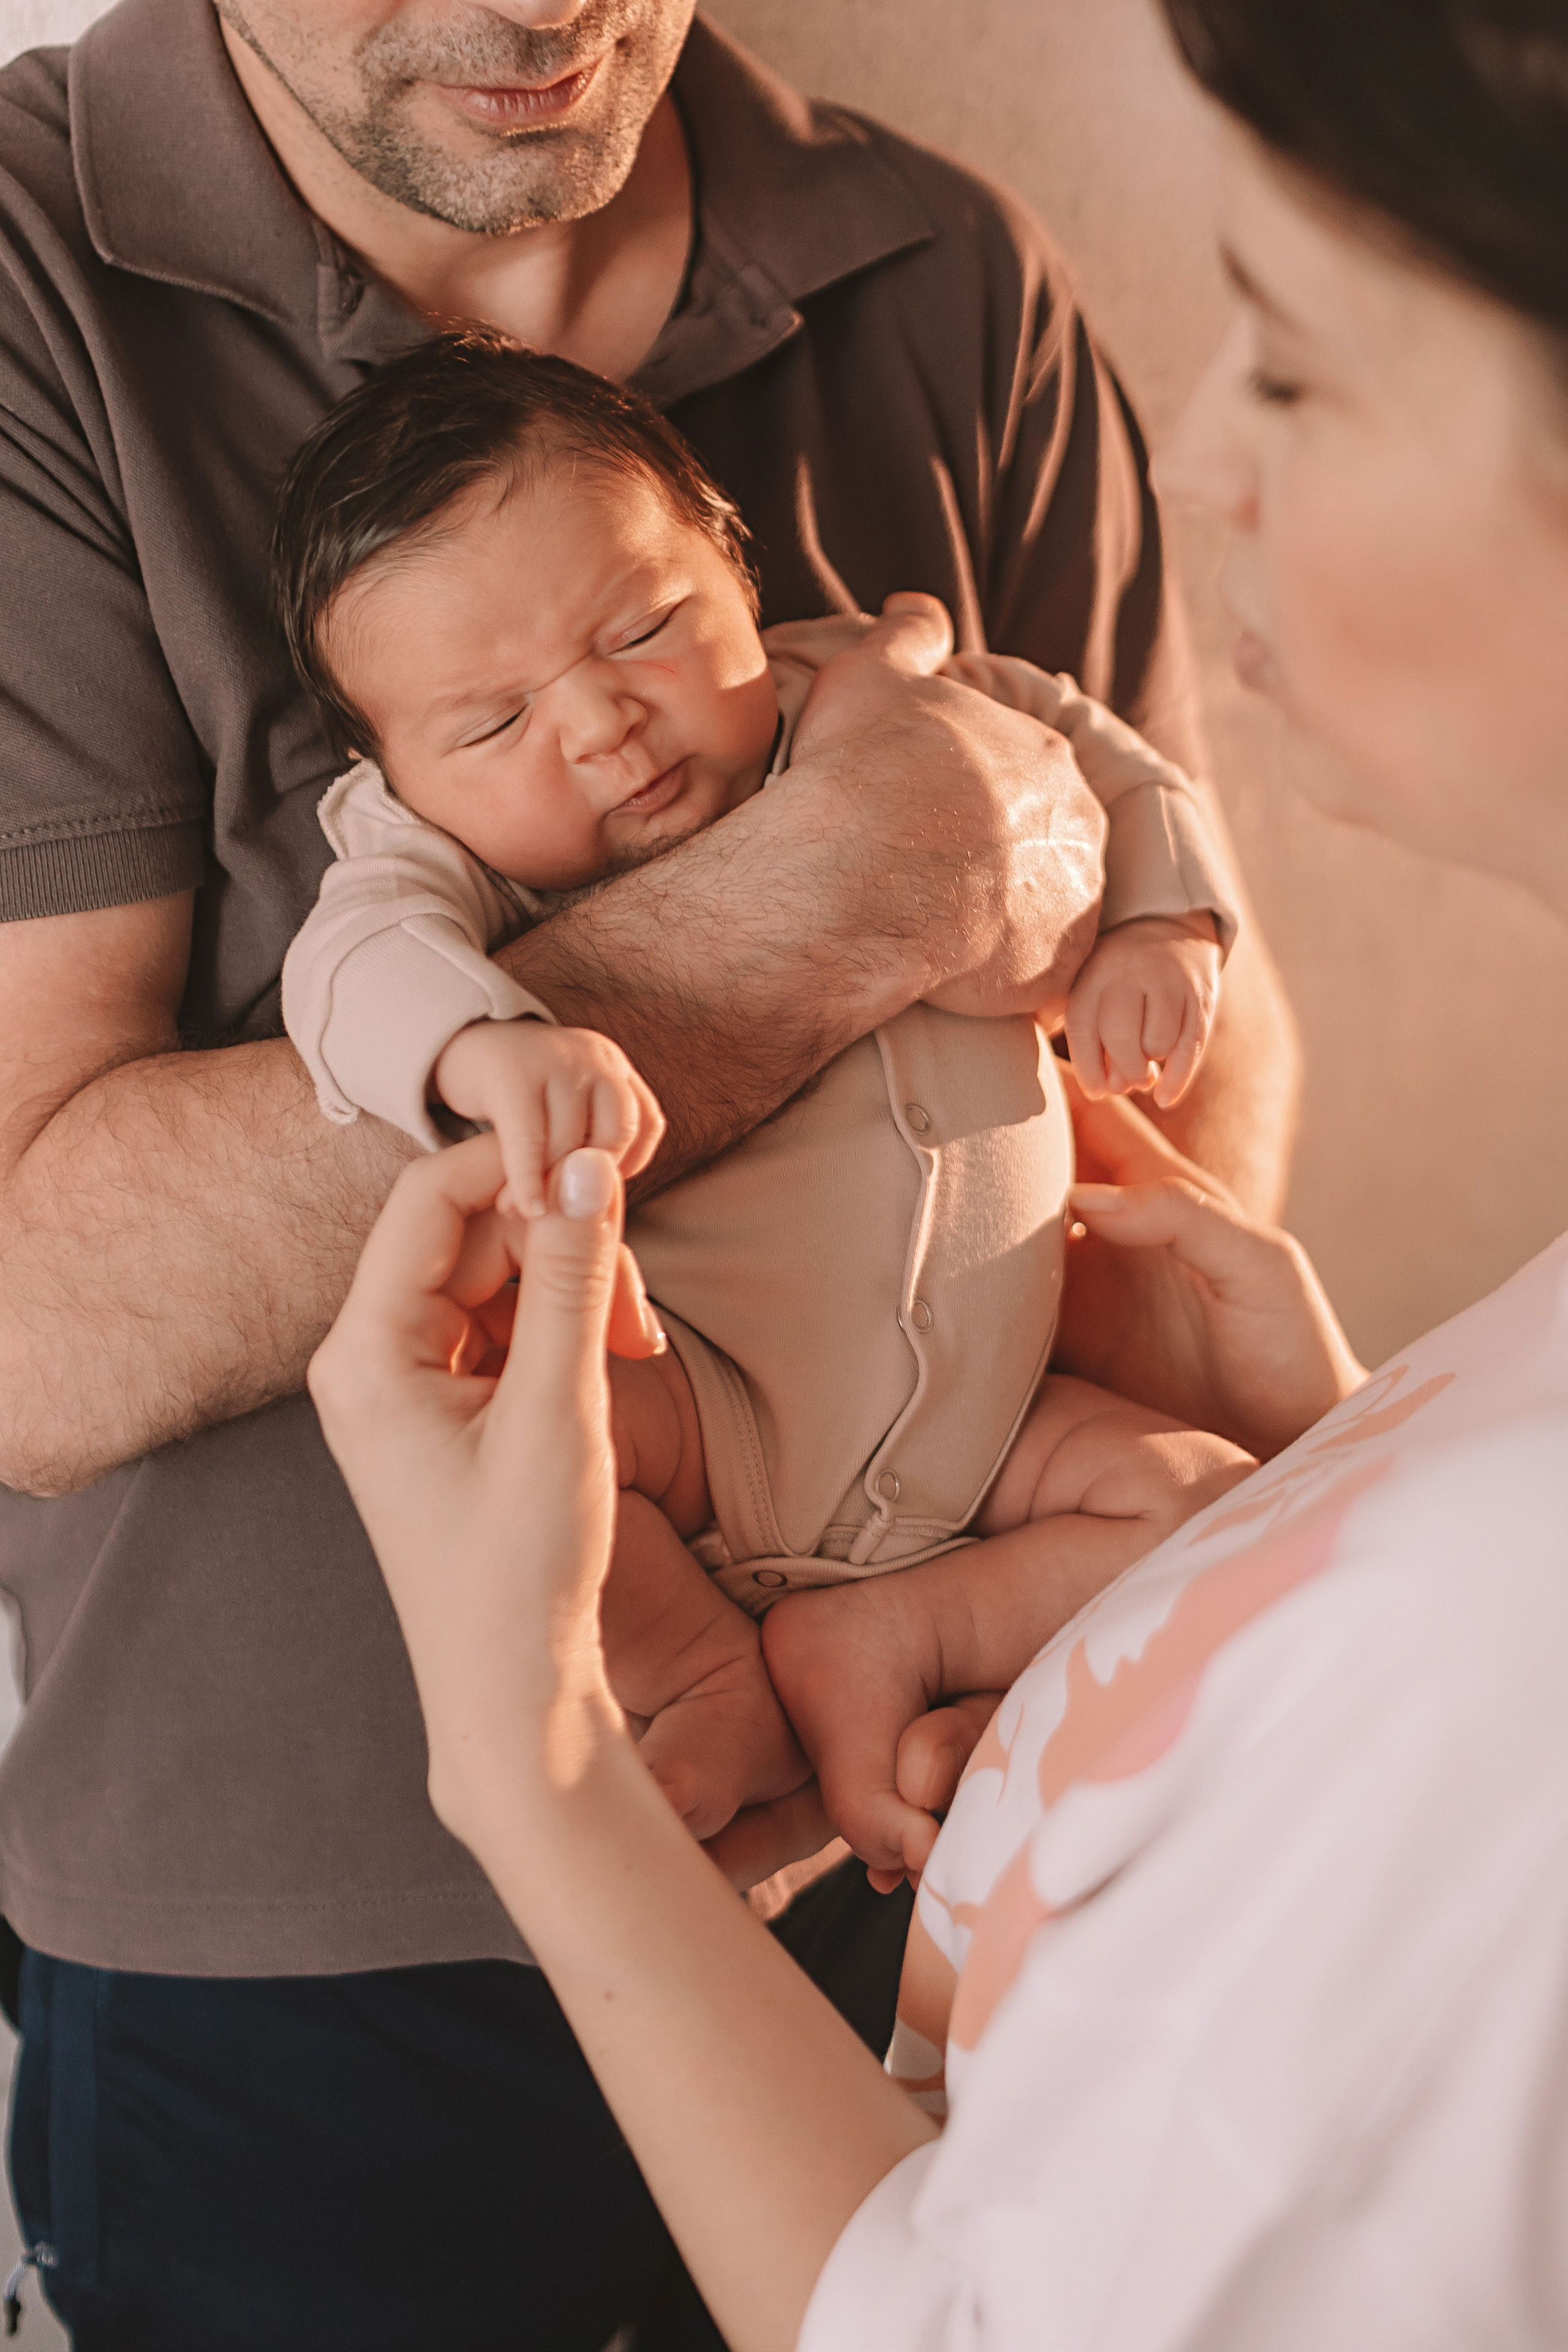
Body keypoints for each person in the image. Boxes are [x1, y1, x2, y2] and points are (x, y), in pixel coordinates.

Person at [0, 0, 1294, 2340]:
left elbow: (1188, 1028)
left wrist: (999, 1538)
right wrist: (834, 901)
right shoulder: (27, 286)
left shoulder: (943, 274)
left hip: (985, 1845)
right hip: (309, 1985)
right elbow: (15, 1321)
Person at [306, 0, 1568, 2343]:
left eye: (1289, 368)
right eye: (487, 720)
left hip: (986, 1461)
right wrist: (1336, 1455)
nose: (1201, 447)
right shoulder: (1456, 1464)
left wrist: (536, 1763)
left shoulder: (1496, 1612)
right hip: (742, 1408)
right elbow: (360, 965)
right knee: (634, 1456)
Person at [273, 328, 1242, 1870]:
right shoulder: (428, 862)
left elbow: (1111, 767)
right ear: (385, 767)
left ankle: (893, 1633)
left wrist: (1160, 923)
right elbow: (347, 964)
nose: (597, 723)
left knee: (1207, 1505)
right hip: (697, 1403)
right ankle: (711, 1671)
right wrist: (481, 1049)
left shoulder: (879, 681)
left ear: (731, 562)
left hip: (997, 1429)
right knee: (515, 1449)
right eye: (491, 723)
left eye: (644, 627)